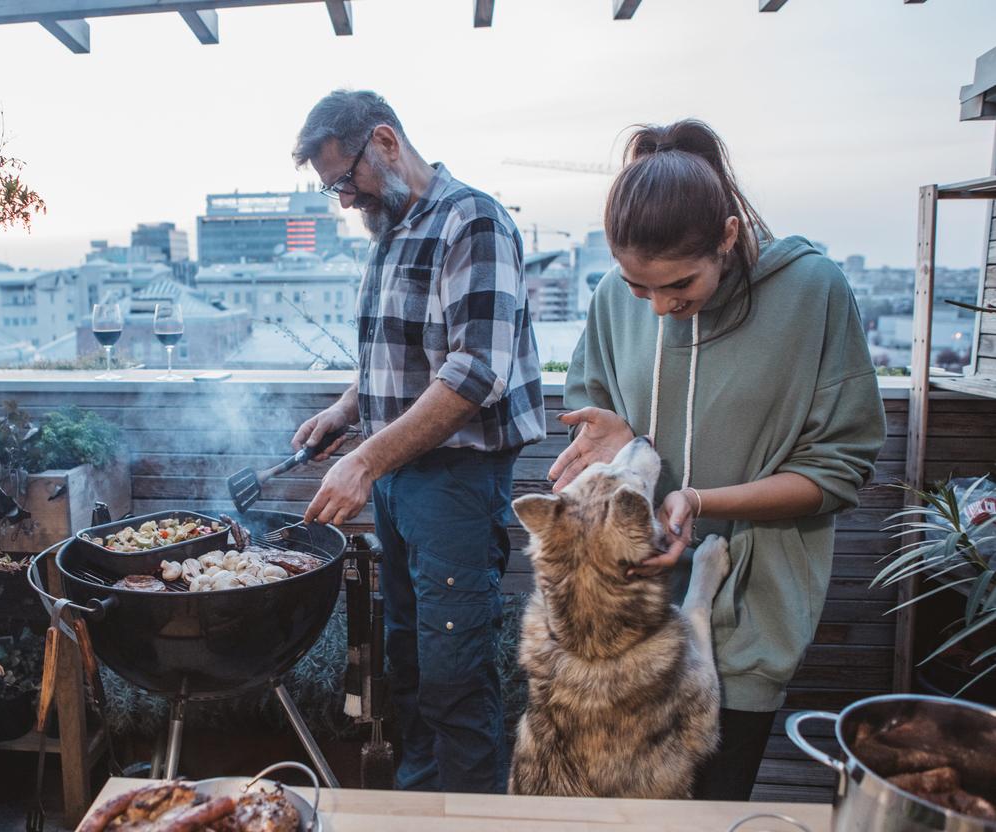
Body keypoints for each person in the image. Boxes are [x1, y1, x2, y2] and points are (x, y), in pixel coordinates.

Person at [549, 119, 885, 801]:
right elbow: (596, 435)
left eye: (679, 288)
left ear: (727, 237)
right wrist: (618, 447)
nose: (662, 310)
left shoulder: (812, 291)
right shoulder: (615, 299)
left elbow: (837, 471)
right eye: (640, 289)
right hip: (624, 618)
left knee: (708, 807)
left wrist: (700, 502)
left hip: (748, 616)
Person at [289, 90, 545, 794]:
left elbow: (472, 374)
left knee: (452, 674)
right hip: (402, 478)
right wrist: (346, 410)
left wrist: (363, 459)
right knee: (408, 660)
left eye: (345, 179)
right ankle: (415, 809)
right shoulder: (393, 228)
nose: (342, 201)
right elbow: (403, 355)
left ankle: (469, 817)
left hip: (456, 486)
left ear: (385, 142)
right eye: (331, 187)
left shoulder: (473, 220)